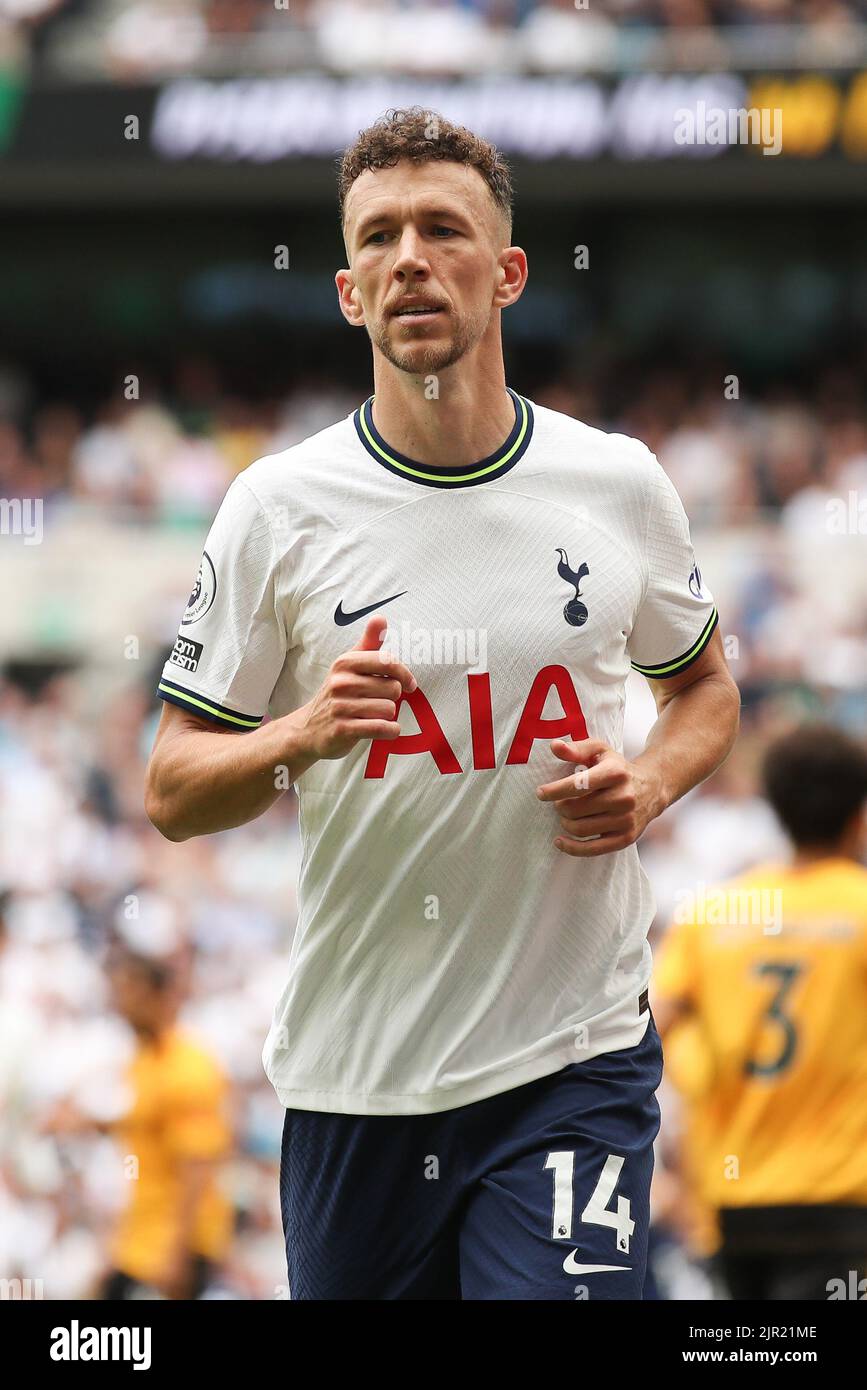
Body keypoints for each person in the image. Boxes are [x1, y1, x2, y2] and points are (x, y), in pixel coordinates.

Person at [145, 106, 739, 1300]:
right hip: (360, 1079)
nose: (408, 255)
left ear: (508, 272)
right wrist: (303, 731)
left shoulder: (618, 484)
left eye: (441, 229)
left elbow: (706, 691)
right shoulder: (277, 506)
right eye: (378, 237)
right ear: (350, 290)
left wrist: (654, 781)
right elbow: (170, 792)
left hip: (573, 1059)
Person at [653, 724, 867, 1300]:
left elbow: (650, 1031)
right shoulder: (861, 908)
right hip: (842, 1199)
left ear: (773, 805)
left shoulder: (714, 913)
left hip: (731, 1198)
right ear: (859, 815)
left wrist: (699, 1079)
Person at [99, 944, 233, 1300]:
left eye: (128, 991)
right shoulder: (143, 1059)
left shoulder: (189, 1068)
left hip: (176, 1241)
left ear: (156, 995)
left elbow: (197, 1166)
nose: (120, 1003)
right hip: (140, 1236)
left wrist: (178, 1256)